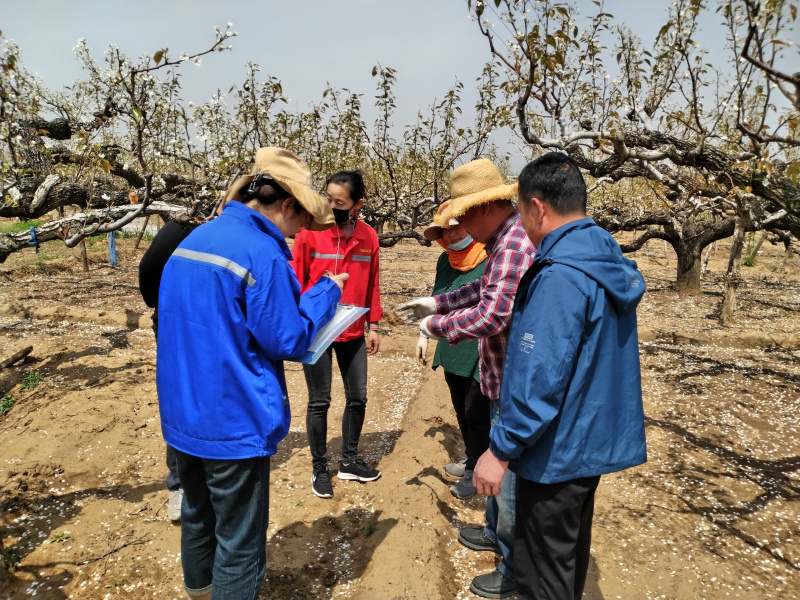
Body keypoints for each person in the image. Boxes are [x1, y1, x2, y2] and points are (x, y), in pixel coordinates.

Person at [156, 147, 348, 600]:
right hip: (232, 419)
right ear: (286, 206)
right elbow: (287, 339)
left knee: (199, 518)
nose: (301, 232)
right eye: (301, 221)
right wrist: (325, 292)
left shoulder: (194, 239)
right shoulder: (263, 254)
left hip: (184, 416)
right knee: (240, 544)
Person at [473, 152, 647, 600]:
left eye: (522, 213)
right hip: (589, 444)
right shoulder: (603, 257)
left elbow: (539, 377)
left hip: (556, 453)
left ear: (537, 207)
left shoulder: (559, 277)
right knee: (566, 560)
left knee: (540, 575)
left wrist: (501, 448)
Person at [396, 158, 535, 599]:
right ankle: (495, 534)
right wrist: (435, 304)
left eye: (461, 218)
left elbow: (493, 314)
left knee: (508, 478)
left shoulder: (512, 244)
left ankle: (514, 567)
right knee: (499, 474)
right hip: (498, 377)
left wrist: (435, 327)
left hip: (512, 380)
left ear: (479, 209)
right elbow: (479, 291)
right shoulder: (502, 242)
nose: (458, 228)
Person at [291, 171, 383, 499]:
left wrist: (373, 325)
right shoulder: (309, 234)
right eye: (328, 199)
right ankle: (320, 467)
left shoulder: (369, 237)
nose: (330, 206)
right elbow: (296, 281)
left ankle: (349, 460)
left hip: (353, 328)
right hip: (317, 330)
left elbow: (372, 283)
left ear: (358, 204)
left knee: (357, 396)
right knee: (320, 401)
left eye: (339, 202)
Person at [417, 200, 490, 499]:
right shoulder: (444, 261)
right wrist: (425, 330)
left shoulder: (489, 258)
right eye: (442, 233)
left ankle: (479, 469)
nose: (448, 237)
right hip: (451, 344)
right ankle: (473, 459)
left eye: (454, 228)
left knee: (477, 412)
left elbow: (488, 308)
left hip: (479, 347)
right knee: (460, 407)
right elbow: (439, 297)